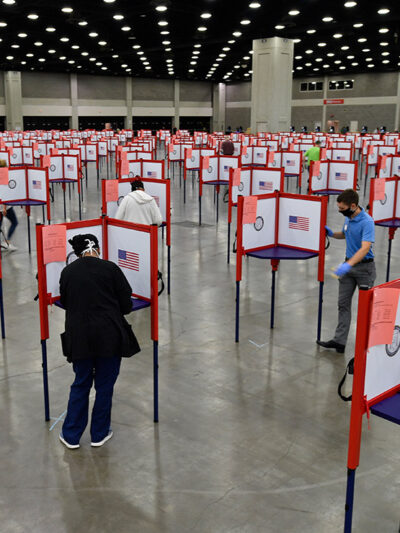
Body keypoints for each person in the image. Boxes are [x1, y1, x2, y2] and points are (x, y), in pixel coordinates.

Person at [59, 234, 140, 449]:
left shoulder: (67, 272)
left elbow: (66, 302)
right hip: (109, 337)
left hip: (80, 338)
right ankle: (99, 434)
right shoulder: (111, 269)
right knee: (104, 386)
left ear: (77, 253)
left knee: (81, 383)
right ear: (98, 249)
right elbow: (126, 305)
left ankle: (71, 436)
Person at [317, 189, 376, 353]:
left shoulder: (367, 222)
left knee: (366, 309)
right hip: (348, 267)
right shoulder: (349, 219)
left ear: (353, 205)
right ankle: (339, 341)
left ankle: (368, 346)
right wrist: (332, 234)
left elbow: (365, 249)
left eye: (342, 209)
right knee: (343, 305)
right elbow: (344, 234)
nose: (340, 212)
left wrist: (348, 265)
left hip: (365, 269)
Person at [0, 160, 18, 252]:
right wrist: (4, 207)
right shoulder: (4, 177)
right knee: (15, 222)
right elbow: (4, 193)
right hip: (5, 207)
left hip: (2, 207)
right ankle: (7, 242)